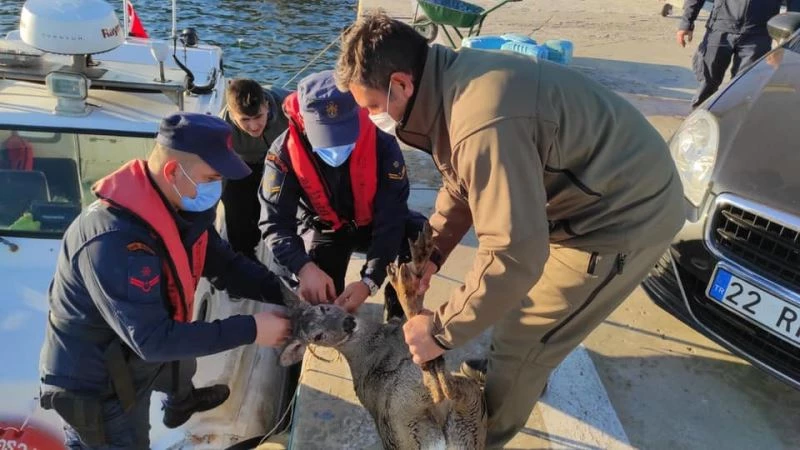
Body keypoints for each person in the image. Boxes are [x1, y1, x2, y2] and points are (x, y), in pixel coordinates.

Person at [335, 11, 686, 447]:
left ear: (402, 85)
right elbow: (460, 182)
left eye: (371, 107)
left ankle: (483, 435)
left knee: (524, 337)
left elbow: (516, 253)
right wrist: (433, 253)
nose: (371, 119)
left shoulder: (481, 122)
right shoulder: (448, 83)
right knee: (504, 315)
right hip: (584, 194)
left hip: (621, 215)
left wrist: (440, 332)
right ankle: (514, 376)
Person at [38, 112, 294, 449]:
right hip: (98, 388)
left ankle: (180, 401)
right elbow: (153, 340)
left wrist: (287, 293)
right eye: (212, 177)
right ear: (173, 171)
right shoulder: (115, 241)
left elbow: (227, 266)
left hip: (134, 359)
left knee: (181, 348)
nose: (217, 187)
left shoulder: (182, 209)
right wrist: (253, 329)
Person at [258, 70, 425, 318]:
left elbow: (392, 217)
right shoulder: (282, 155)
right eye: (325, 138)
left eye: (343, 136)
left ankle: (398, 311)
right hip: (325, 227)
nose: (335, 147)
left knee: (418, 238)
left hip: (372, 224)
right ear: (304, 122)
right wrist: (304, 268)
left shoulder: (384, 145)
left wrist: (370, 280)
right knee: (321, 302)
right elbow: (274, 223)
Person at [677, 0, 800, 109]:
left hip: (758, 35)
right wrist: (686, 22)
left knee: (743, 88)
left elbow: (795, 7)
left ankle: (730, 126)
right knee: (707, 83)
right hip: (720, 29)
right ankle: (697, 124)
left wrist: (786, 42)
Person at [221, 79, 290, 261]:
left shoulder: (288, 105)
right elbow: (216, 175)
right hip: (242, 165)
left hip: (280, 163)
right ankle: (244, 259)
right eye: (245, 120)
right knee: (236, 210)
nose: (253, 126)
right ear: (232, 115)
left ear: (267, 105)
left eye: (258, 116)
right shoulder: (222, 129)